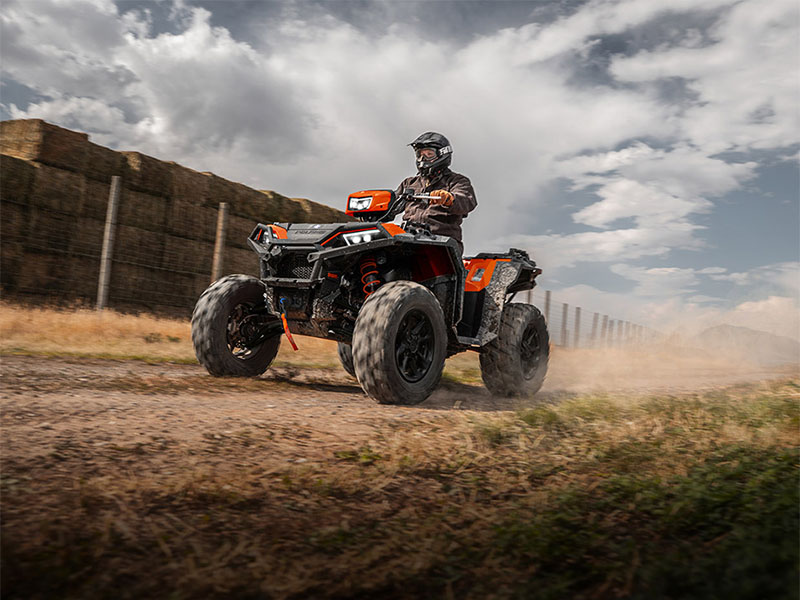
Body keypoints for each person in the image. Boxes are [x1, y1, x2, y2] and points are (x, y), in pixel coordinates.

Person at [396, 132, 477, 254]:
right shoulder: (409, 183)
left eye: (429, 154)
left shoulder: (457, 181)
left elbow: (466, 200)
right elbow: (391, 204)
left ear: (442, 154)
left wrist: (448, 198)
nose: (423, 159)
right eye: (420, 155)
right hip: (408, 238)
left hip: (441, 241)